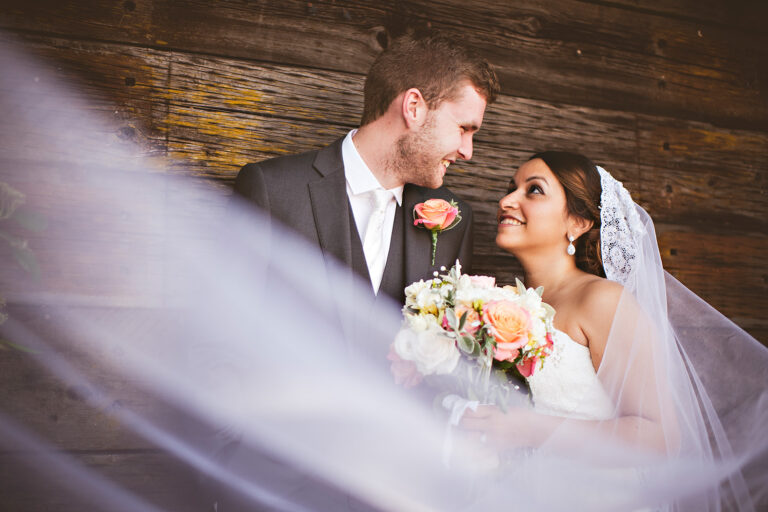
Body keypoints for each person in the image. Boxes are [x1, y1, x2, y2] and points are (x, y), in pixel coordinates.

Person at [457, 151, 768, 511]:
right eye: (511, 188)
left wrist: (526, 428)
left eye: (534, 190)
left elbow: (659, 437)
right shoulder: (500, 304)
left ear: (577, 223)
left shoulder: (602, 300)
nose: (507, 201)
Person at [231, 32, 499, 305]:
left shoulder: (455, 221)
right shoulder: (272, 191)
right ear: (414, 107)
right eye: (463, 128)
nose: (468, 151)